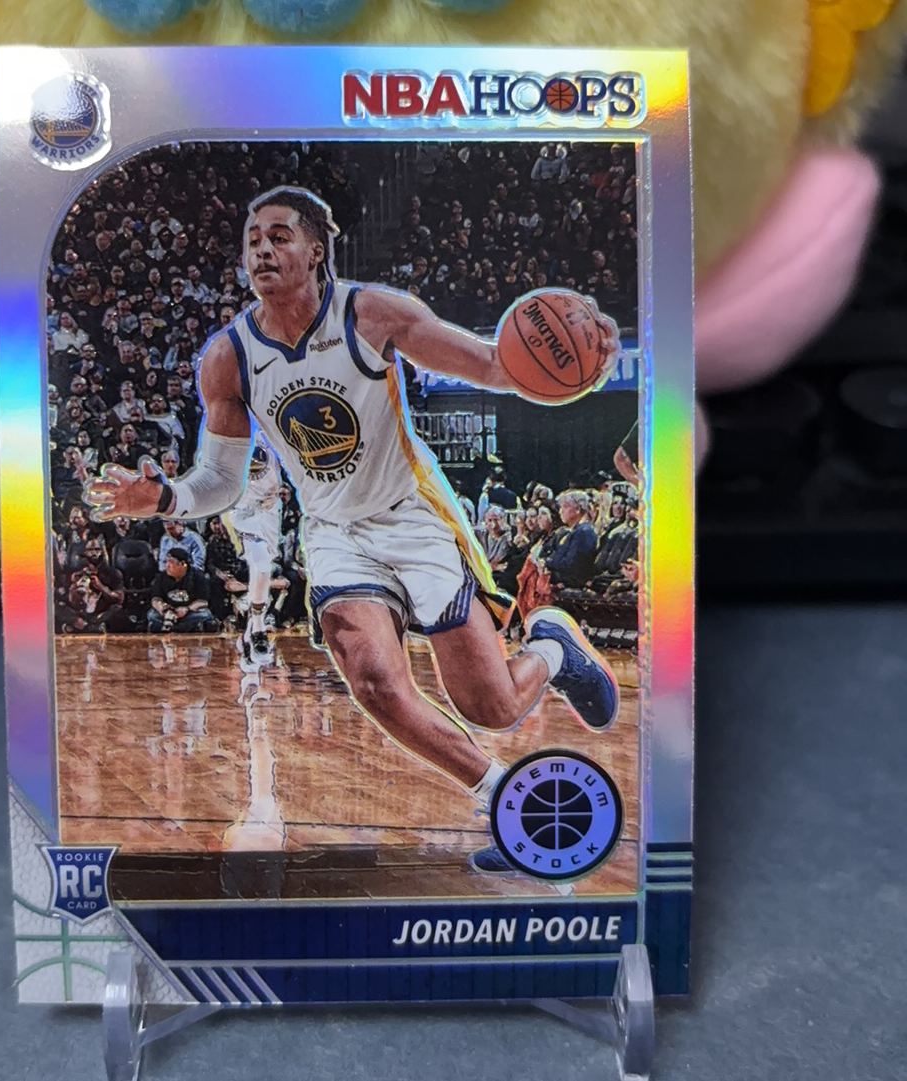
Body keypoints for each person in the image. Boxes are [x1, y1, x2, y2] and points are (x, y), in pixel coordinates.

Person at [86, 185, 620, 875]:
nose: (262, 250)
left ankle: (551, 646)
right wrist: (161, 497)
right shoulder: (229, 357)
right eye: (253, 239)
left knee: (492, 706)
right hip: (336, 532)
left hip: (412, 513)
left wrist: (587, 366)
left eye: (280, 236)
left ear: (316, 250)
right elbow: (218, 479)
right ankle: (508, 803)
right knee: (374, 681)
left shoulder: (373, 314)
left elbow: (495, 364)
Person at [224, 437, 283, 667]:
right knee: (261, 563)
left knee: (264, 568)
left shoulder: (272, 426)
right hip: (240, 510)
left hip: (269, 508)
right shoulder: (227, 427)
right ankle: (258, 628)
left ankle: (250, 631)